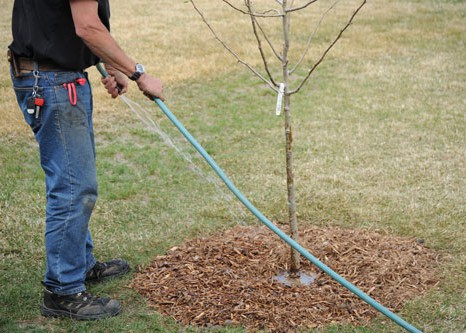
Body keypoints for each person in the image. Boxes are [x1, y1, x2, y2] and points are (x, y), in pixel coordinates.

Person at [8, 0, 165, 320]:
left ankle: (79, 263)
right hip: (52, 82)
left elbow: (65, 24)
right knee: (73, 186)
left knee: (76, 180)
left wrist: (114, 67)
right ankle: (62, 291)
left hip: (57, 77)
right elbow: (87, 27)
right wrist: (138, 73)